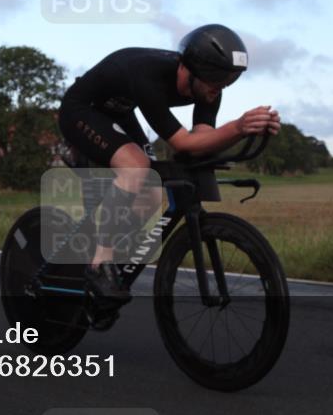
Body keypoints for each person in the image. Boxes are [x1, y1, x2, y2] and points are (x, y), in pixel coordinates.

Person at [57, 24, 281, 302]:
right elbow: (183, 143)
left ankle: (109, 247)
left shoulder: (209, 87)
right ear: (188, 69)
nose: (220, 87)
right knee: (137, 166)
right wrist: (238, 127)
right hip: (81, 110)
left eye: (228, 80)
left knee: (150, 194)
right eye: (215, 79)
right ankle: (99, 264)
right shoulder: (147, 75)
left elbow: (202, 140)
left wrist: (253, 128)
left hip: (121, 112)